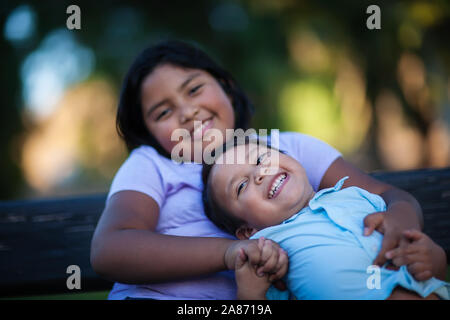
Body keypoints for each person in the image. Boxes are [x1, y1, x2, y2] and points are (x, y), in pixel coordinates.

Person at [90, 40, 427, 300]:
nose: (188, 112)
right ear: (149, 134)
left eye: (194, 89)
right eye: (163, 113)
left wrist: (403, 218)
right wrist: (230, 253)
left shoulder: (288, 148)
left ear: (226, 85)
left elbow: (385, 195)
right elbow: (110, 249)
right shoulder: (151, 165)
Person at [202, 139, 449, 300]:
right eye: (241, 186)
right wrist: (250, 294)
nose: (259, 173)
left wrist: (433, 258)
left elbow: (429, 272)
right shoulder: (270, 252)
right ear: (248, 231)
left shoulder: (359, 198)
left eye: (260, 159)